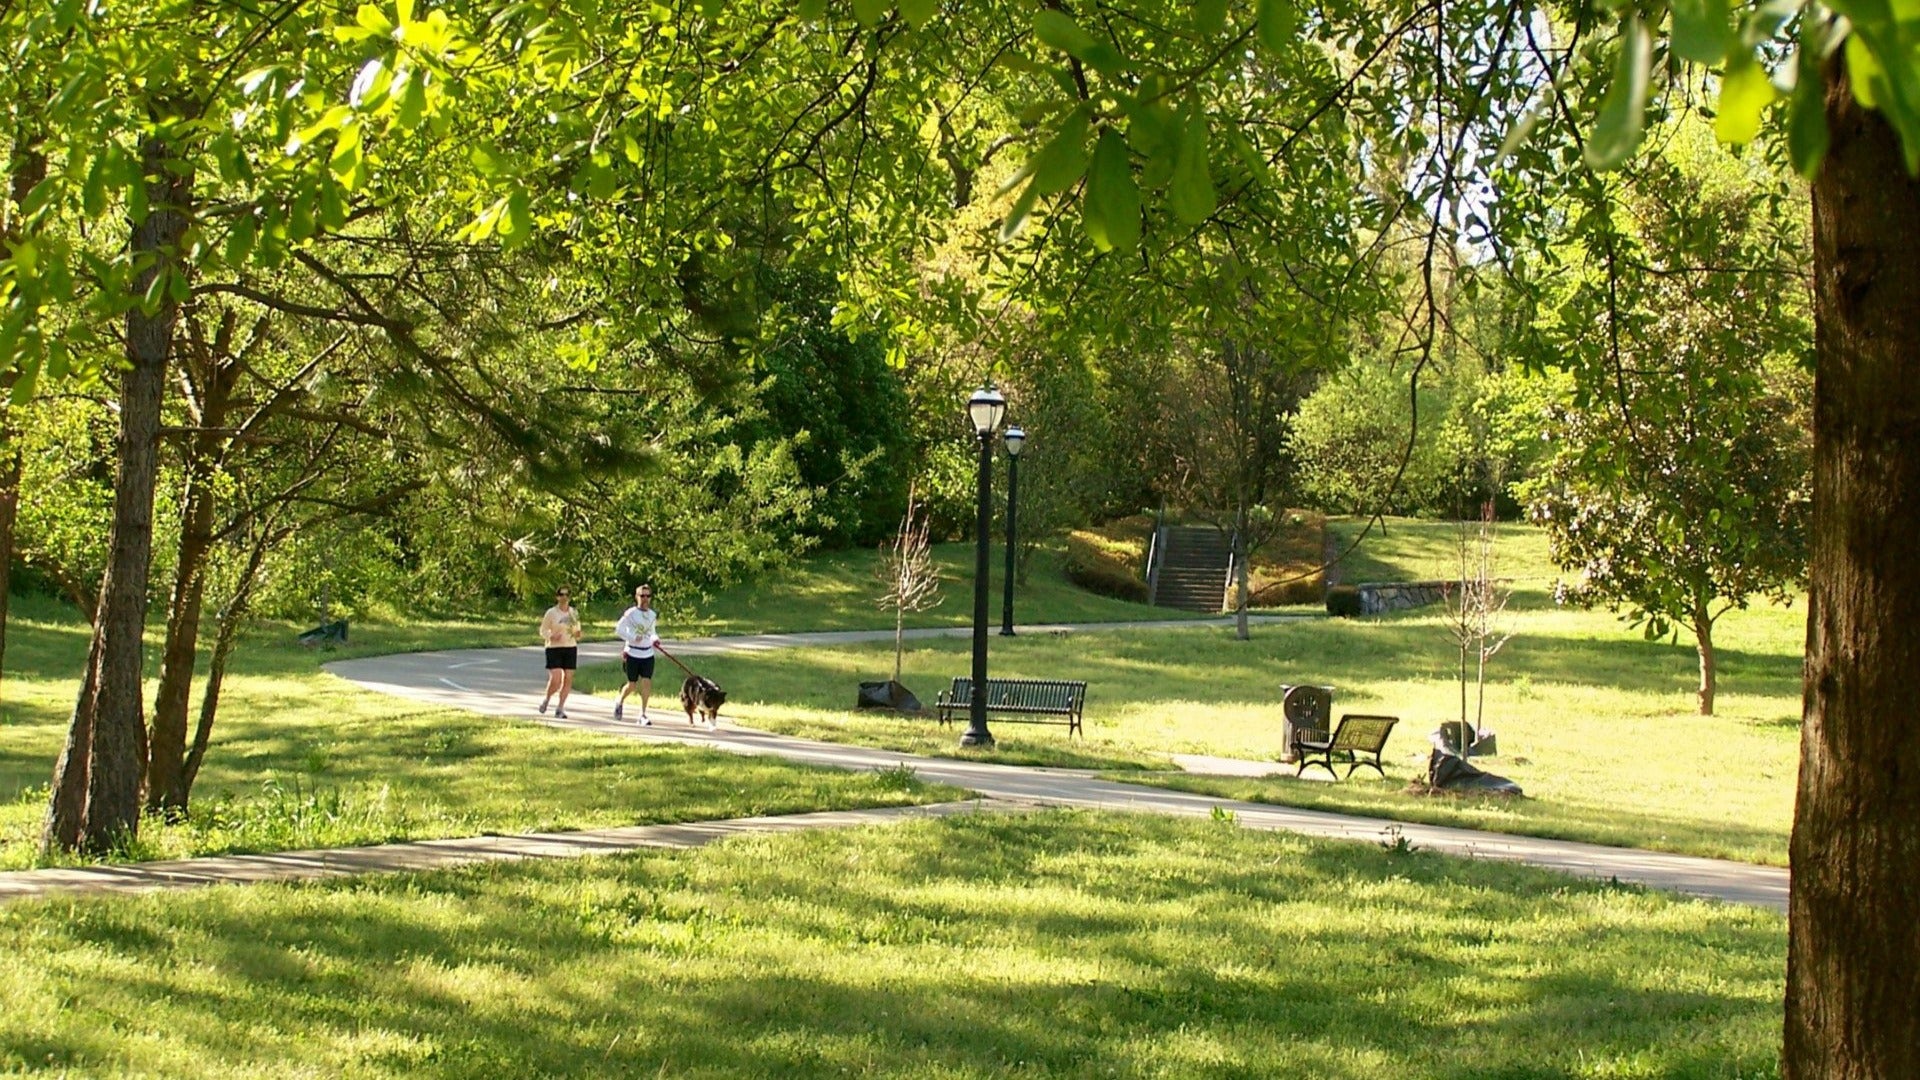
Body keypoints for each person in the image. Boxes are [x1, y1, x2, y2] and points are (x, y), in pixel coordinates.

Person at [613, 583, 661, 724]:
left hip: (647, 654)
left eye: (648, 596)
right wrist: (632, 638)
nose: (645, 599)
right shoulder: (630, 614)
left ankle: (643, 714)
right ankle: (619, 701)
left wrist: (655, 640)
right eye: (642, 595)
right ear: (636, 597)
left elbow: (652, 632)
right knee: (632, 685)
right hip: (633, 654)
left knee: (646, 683)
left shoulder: (652, 615)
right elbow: (619, 629)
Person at [538, 587, 583, 718]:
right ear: (557, 597)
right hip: (554, 648)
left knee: (568, 678)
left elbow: (577, 631)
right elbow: (543, 630)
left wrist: (578, 634)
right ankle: (547, 699)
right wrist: (550, 636)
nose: (564, 597)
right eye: (561, 595)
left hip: (570, 647)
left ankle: (560, 707)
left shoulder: (573, 613)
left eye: (567, 594)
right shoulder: (551, 613)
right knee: (556, 678)